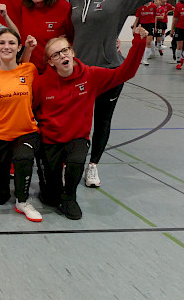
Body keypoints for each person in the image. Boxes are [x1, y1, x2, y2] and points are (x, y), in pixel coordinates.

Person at [70, 0, 164, 188]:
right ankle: (71, 163)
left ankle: (93, 166)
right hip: (79, 72)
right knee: (77, 121)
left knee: (102, 120)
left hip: (109, 70)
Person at [33, 27, 149, 220]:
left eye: (65, 50)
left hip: (77, 138)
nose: (62, 55)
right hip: (50, 140)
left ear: (72, 52)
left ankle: (70, 197)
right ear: (51, 62)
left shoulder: (90, 76)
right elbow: (31, 109)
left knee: (75, 162)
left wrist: (138, 43)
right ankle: (53, 192)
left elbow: (125, 73)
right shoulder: (41, 83)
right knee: (50, 199)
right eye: (56, 54)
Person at [0, 28, 41, 222]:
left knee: (23, 158)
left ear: (19, 47)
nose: (7, 47)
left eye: (11, 43)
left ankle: (23, 200)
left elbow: (37, 100)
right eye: (2, 43)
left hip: (26, 132)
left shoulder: (29, 70)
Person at [13, 0, 72, 74]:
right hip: (32, 71)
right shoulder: (23, 8)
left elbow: (72, 39)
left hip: (57, 71)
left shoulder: (63, 7)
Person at [133, 0, 157, 66]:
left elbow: (154, 17)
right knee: (142, 43)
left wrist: (155, 26)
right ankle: (140, 58)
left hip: (150, 25)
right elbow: (137, 18)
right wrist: (134, 27)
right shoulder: (140, 7)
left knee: (148, 42)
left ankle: (145, 59)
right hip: (142, 25)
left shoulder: (154, 6)